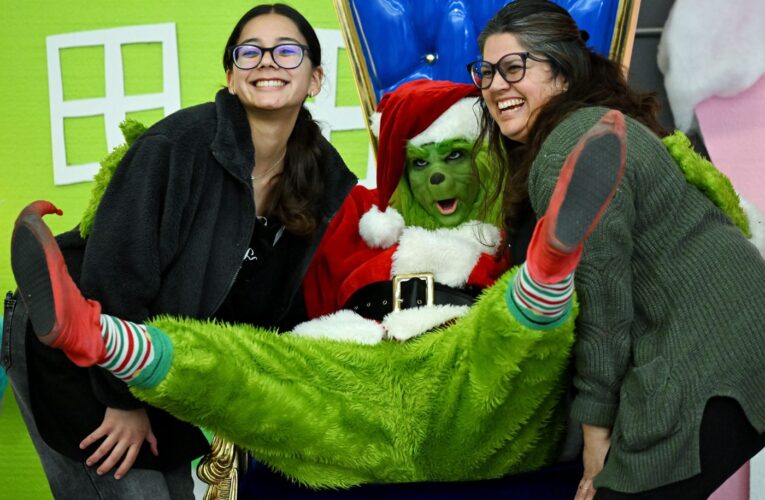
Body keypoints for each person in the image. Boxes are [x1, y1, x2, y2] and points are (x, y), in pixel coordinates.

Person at [8, 76, 628, 495]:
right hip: (357, 373)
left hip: (463, 366)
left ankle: (551, 266)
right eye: (421, 161)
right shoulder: (353, 210)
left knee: (513, 339)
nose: (438, 175)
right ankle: (96, 334)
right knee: (246, 366)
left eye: (457, 155)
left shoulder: (504, 221)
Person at [2, 3, 355, 499]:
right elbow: (116, 274)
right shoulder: (178, 145)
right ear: (231, 76)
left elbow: (283, 307)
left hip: (162, 366)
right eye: (249, 52)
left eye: (287, 51)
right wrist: (121, 400)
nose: (268, 61)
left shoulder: (323, 182)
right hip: (82, 349)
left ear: (315, 78)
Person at [466, 0, 765, 498]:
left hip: (708, 356)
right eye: (486, 72)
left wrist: (595, 438)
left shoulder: (570, 146)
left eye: (514, 67)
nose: (496, 86)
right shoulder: (593, 125)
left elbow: (604, 304)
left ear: (562, 73)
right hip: (734, 334)